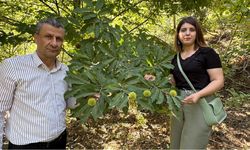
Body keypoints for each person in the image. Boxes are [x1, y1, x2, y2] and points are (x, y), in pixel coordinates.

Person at [0, 18, 69, 149]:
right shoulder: (12, 67)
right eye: (48, 37)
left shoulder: (65, 71)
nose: (54, 43)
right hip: (26, 145)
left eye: (59, 39)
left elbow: (69, 102)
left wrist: (89, 95)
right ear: (35, 38)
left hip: (59, 141)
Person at [169, 16, 224, 149]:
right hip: (178, 103)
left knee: (191, 145)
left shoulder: (207, 53)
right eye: (183, 30)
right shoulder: (174, 58)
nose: (187, 33)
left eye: (191, 30)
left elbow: (219, 81)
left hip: (199, 102)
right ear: (178, 34)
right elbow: (174, 82)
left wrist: (198, 95)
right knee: (175, 145)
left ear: (197, 33)